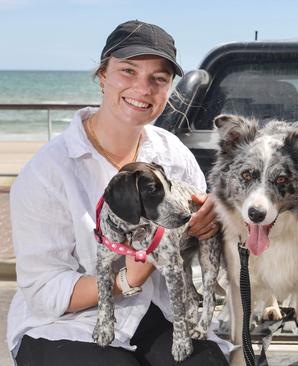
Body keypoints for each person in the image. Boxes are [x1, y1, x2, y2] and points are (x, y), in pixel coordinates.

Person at [7, 20, 231, 366]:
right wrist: (124, 278)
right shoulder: (47, 172)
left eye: (159, 78)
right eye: (128, 71)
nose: (143, 88)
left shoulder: (173, 155)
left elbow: (194, 241)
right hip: (64, 325)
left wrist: (210, 223)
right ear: (102, 76)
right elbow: (44, 290)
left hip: (159, 312)